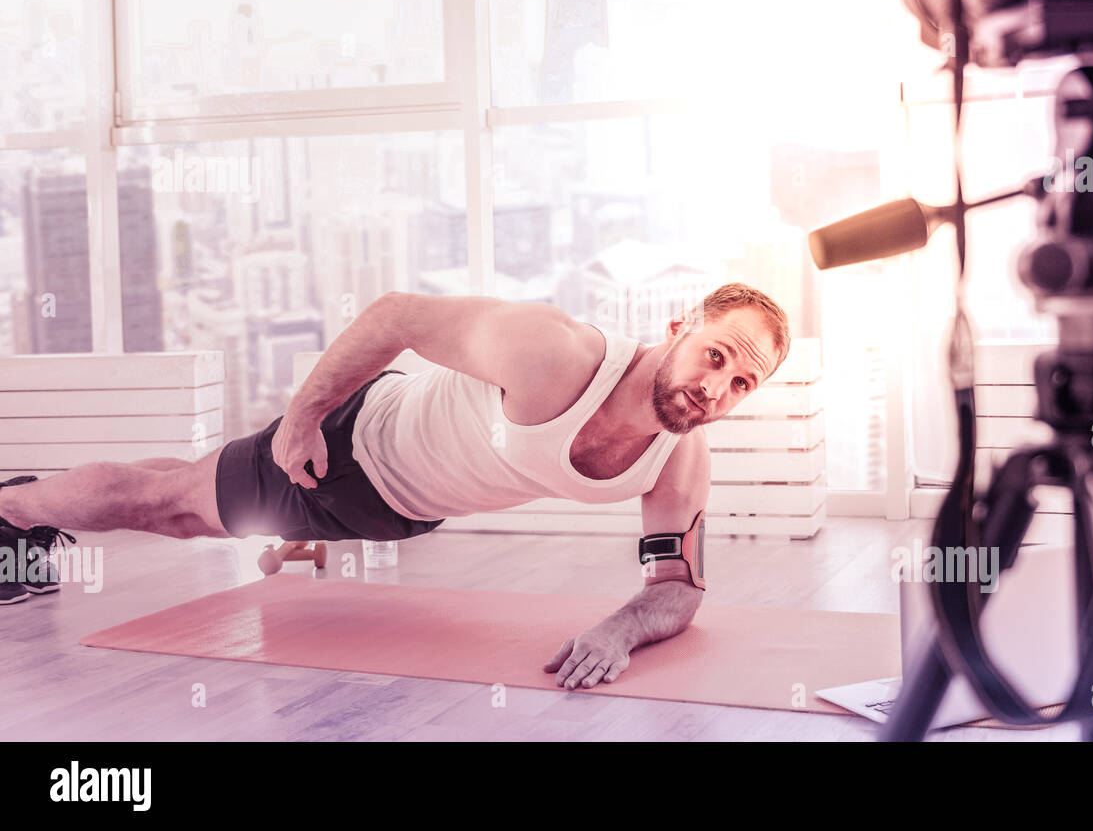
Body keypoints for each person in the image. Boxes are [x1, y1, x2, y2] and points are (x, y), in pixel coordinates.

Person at [0, 283, 790, 689]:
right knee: (168, 507)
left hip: (405, 510)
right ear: (680, 328)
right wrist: (304, 416)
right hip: (348, 452)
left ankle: (25, 514)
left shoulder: (680, 460)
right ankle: (12, 505)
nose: (717, 387)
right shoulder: (557, 354)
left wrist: (616, 631)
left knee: (176, 489)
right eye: (717, 355)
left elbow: (677, 586)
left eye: (744, 382)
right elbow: (396, 315)